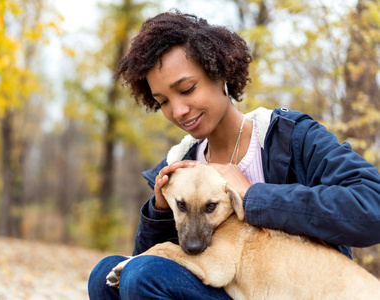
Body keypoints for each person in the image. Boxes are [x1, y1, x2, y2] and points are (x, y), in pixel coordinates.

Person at [88, 10, 380, 300]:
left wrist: (253, 196)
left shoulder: (290, 138)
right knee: (106, 275)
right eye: (163, 101)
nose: (177, 111)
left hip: (299, 289)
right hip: (219, 286)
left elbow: (372, 208)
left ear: (221, 74)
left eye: (187, 89)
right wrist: (160, 211)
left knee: (141, 275)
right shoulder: (180, 161)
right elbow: (146, 271)